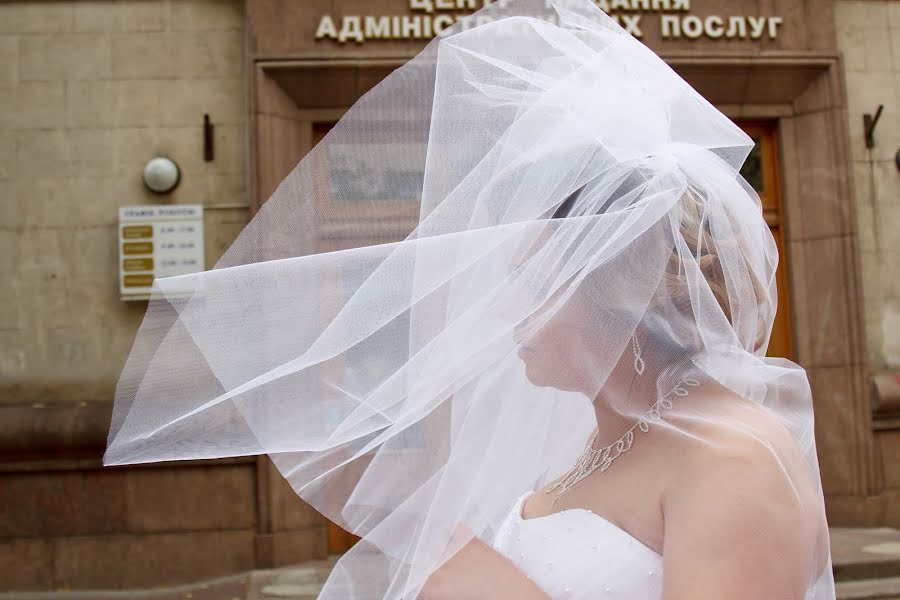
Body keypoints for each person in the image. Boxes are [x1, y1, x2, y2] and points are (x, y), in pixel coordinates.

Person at [104, 1, 836, 598]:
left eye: (527, 284)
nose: (504, 309)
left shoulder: (734, 460)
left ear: (614, 293)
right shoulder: (596, 442)